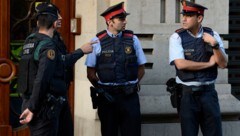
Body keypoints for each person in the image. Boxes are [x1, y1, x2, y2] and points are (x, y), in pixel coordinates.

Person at [17, 3, 94, 136]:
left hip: (43, 102)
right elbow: (42, 78)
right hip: (44, 106)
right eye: (57, 16)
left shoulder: (30, 41)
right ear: (53, 23)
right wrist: (32, 107)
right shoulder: (48, 45)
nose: (61, 18)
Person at [85, 2, 147, 136]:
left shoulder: (133, 39)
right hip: (108, 98)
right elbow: (90, 73)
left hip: (129, 97)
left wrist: (133, 84)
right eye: (121, 19)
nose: (125, 22)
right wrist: (102, 89)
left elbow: (141, 68)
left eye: (125, 18)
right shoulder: (97, 41)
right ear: (109, 22)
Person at [169, 1, 227, 136]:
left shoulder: (213, 35)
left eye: (188, 15)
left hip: (209, 94)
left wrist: (215, 45)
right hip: (187, 95)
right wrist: (208, 64)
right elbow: (181, 64)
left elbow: (223, 64)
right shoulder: (177, 37)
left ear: (199, 18)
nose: (184, 19)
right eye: (184, 15)